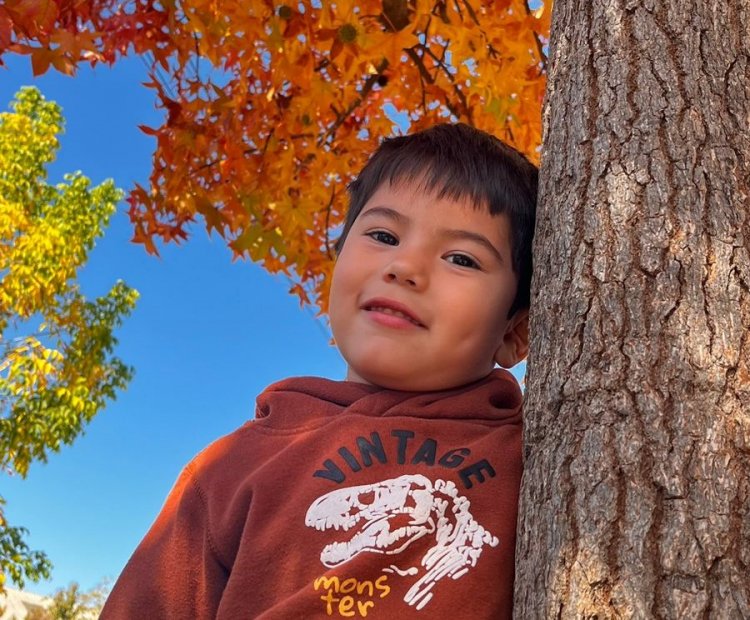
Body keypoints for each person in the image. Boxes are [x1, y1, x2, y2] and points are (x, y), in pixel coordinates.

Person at [101, 123, 538, 619]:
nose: (405, 266)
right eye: (383, 235)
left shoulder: (539, 459)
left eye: (462, 258)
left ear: (515, 332)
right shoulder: (229, 469)